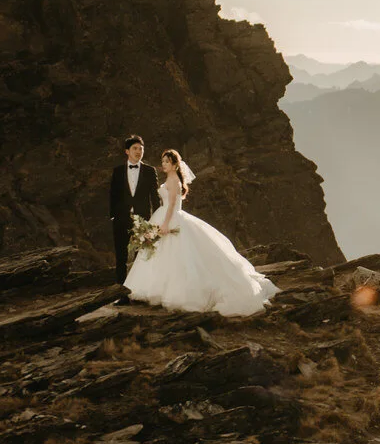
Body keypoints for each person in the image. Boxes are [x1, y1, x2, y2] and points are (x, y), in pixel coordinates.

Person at [123, 149, 280, 316]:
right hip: (163, 216)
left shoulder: (175, 181)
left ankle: (176, 293)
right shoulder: (170, 179)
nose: (163, 165)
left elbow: (171, 205)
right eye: (163, 162)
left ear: (175, 164)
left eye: (167, 162)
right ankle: (150, 289)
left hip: (171, 218)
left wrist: (166, 224)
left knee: (177, 256)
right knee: (159, 254)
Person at [108, 135, 162, 286]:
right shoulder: (118, 171)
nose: (138, 151)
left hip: (143, 219)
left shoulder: (150, 171)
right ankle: (121, 293)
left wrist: (156, 220)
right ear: (127, 151)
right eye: (135, 148)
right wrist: (113, 216)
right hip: (121, 219)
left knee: (142, 257)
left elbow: (155, 197)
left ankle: (139, 291)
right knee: (121, 257)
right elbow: (113, 194)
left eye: (141, 149)